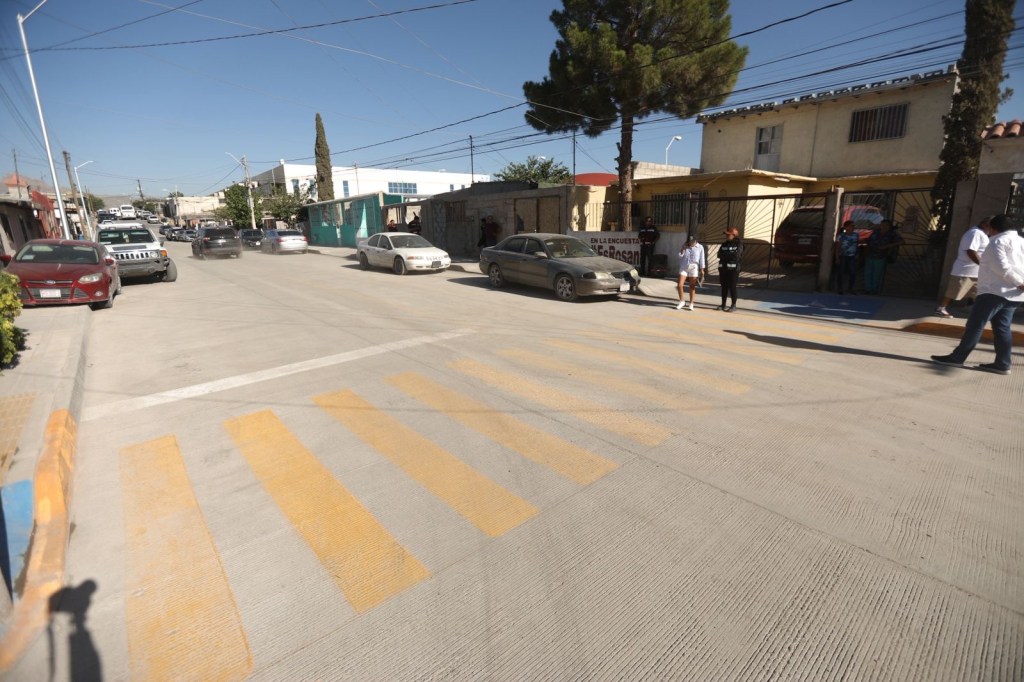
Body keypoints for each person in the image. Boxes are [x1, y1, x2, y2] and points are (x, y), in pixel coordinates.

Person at [931, 214, 1024, 375]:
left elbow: (1001, 267)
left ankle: (957, 358)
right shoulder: (1021, 241)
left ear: (993, 228)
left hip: (994, 291)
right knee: (1002, 328)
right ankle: (1002, 364)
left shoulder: (997, 242)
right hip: (1013, 294)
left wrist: (1019, 283)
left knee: (975, 325)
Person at [935, 216, 992, 317]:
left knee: (980, 293)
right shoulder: (975, 233)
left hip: (976, 272)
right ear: (984, 224)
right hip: (965, 271)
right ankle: (941, 309)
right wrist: (982, 264)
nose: (992, 229)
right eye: (990, 226)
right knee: (953, 292)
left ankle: (981, 313)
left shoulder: (982, 234)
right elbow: (971, 251)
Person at [862, 219, 902, 294]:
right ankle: (867, 289)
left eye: (887, 225)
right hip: (870, 254)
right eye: (883, 225)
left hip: (880, 256)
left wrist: (887, 246)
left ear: (889, 226)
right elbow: (869, 240)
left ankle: (874, 289)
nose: (884, 227)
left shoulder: (892, 234)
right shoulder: (876, 232)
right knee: (868, 272)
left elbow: (901, 241)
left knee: (877, 273)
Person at [676, 234, 705, 310]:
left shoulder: (700, 247)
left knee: (692, 286)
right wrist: (683, 248)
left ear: (696, 241)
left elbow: (702, 259)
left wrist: (702, 269)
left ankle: (691, 303)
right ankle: (682, 301)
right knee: (679, 285)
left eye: (692, 241)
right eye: (689, 241)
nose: (691, 243)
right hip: (684, 266)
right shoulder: (685, 246)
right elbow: (680, 256)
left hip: (694, 267)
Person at [717, 227, 743, 311]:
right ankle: (723, 305)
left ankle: (733, 305)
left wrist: (725, 255)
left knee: (732, 287)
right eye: (726, 235)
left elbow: (736, 256)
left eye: (728, 235)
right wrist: (729, 255)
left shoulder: (739, 244)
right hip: (723, 269)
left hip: (733, 270)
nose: (727, 236)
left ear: (734, 235)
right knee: (724, 287)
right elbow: (719, 254)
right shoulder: (724, 244)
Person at [834, 220, 860, 295]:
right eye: (851, 226)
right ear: (846, 227)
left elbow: (856, 244)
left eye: (853, 226)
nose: (853, 227)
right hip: (843, 256)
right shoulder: (841, 236)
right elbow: (837, 247)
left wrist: (857, 253)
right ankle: (840, 288)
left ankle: (850, 288)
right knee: (841, 272)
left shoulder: (856, 235)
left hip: (852, 256)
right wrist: (837, 258)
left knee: (853, 273)